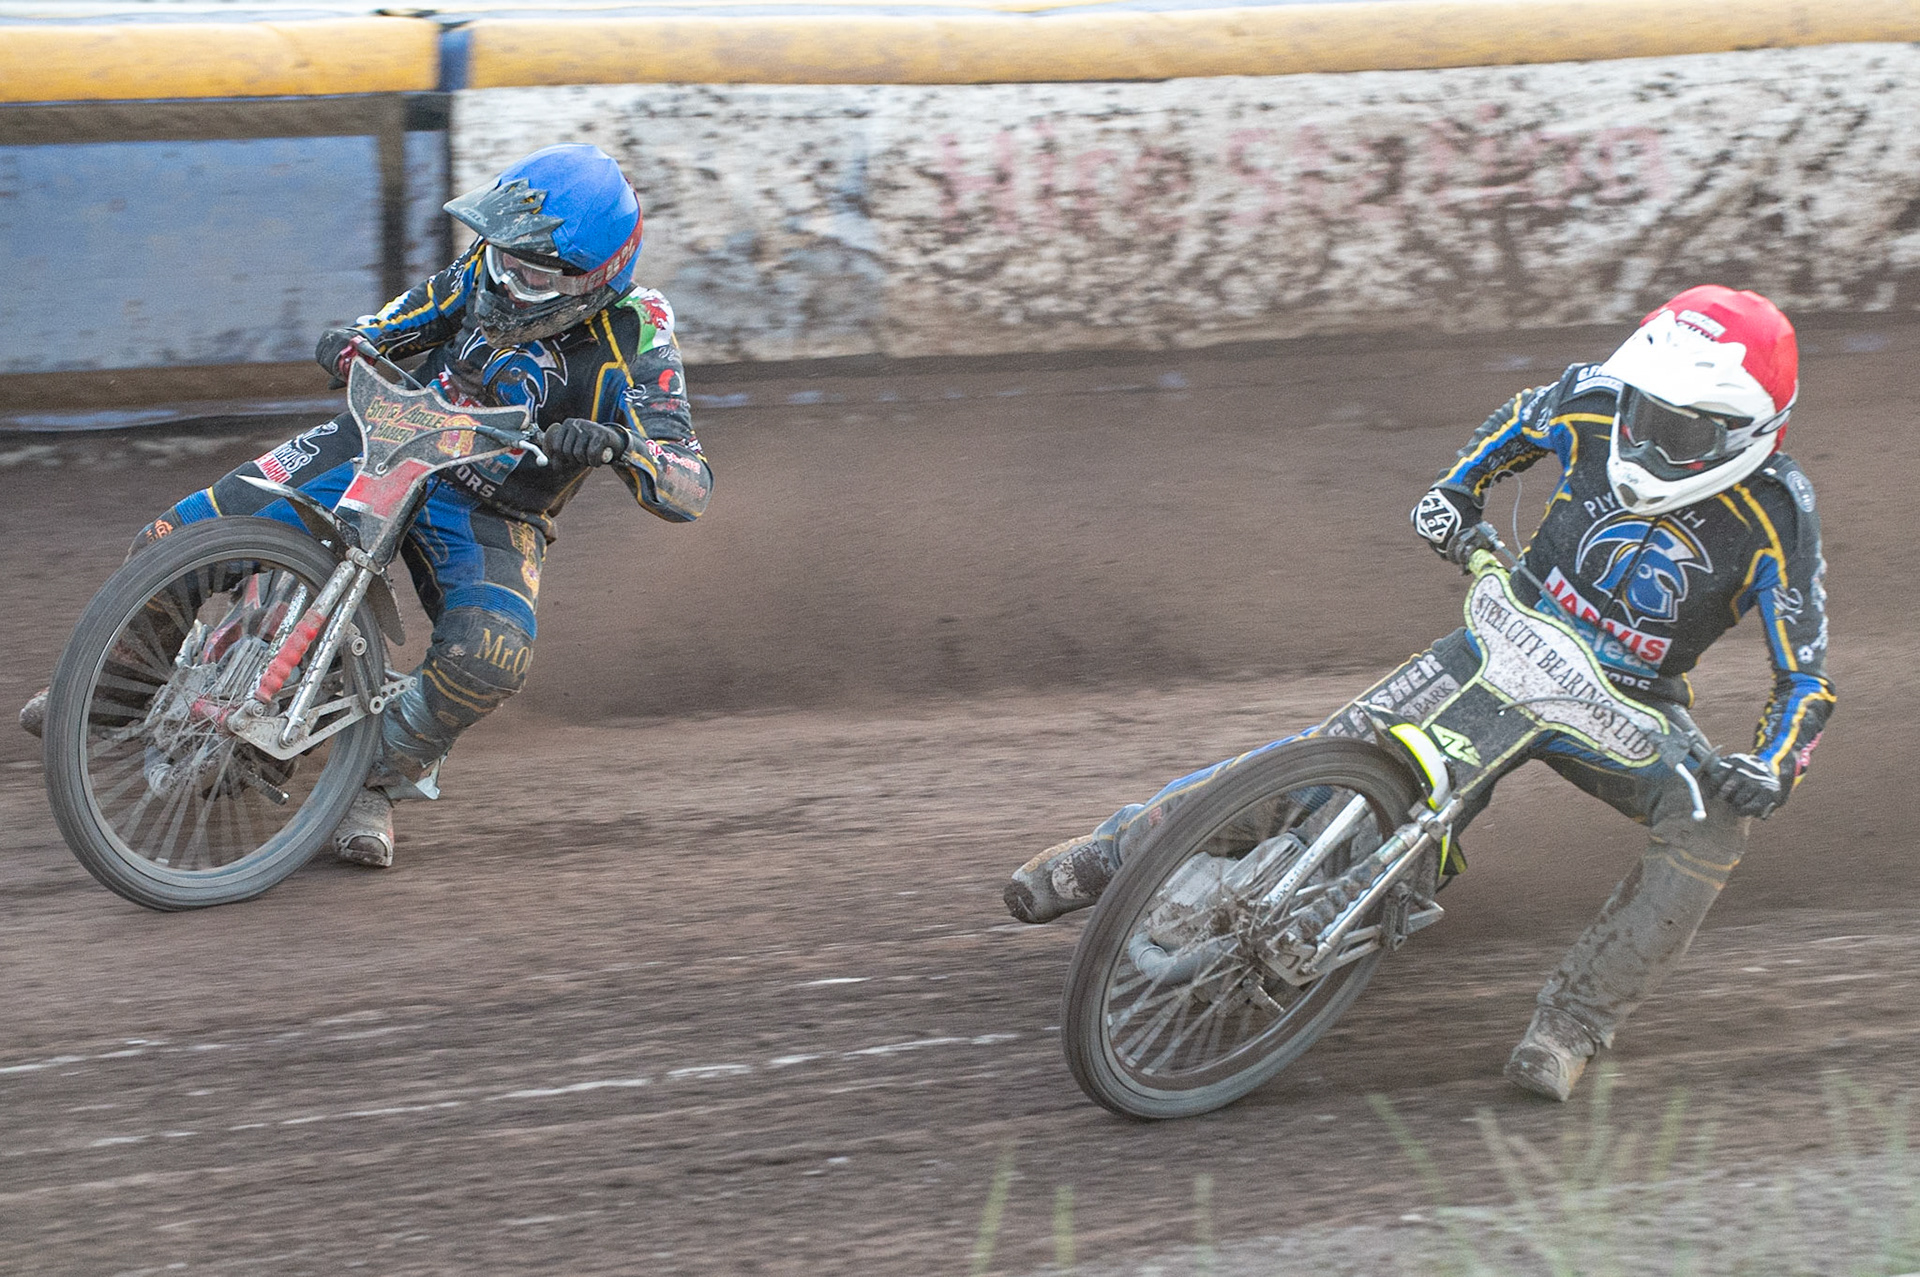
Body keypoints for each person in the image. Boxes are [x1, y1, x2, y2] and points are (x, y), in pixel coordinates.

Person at [1005, 285, 1834, 1101]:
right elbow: (1520, 419)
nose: (1643, 435)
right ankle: (1113, 854)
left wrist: (1773, 763)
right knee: (1326, 762)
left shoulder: (1778, 515)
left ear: (1747, 435)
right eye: (1642, 409)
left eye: (1678, 428)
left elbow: (1805, 678)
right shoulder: (1595, 396)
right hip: (1506, 630)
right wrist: (1454, 492)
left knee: (1712, 818)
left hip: (1627, 702)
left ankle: (1573, 1024)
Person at [22, 144, 712, 869]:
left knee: (491, 653)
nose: (509, 278)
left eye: (533, 272)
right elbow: (410, 315)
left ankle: (372, 778)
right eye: (505, 256)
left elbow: (690, 481)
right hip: (387, 435)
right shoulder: (490, 265)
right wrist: (357, 339)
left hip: (493, 505)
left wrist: (620, 446)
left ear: (594, 277)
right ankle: (120, 687)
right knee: (174, 536)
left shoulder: (640, 333)